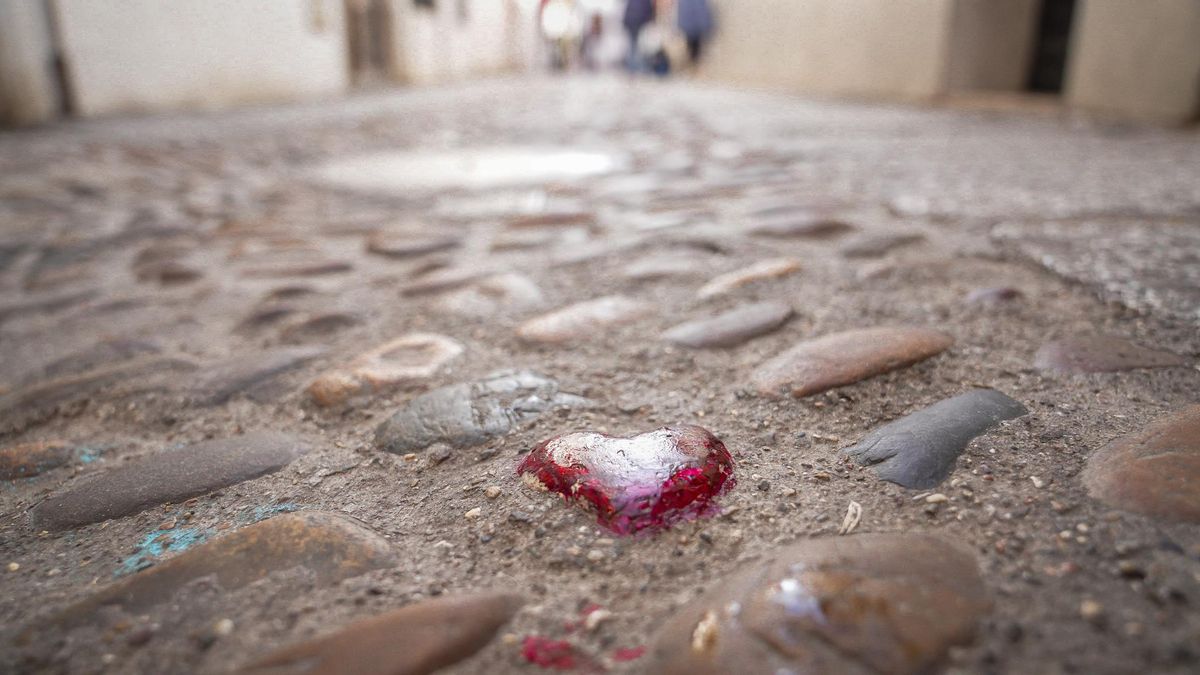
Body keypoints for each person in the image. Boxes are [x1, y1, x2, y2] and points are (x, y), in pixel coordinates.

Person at [677, 0, 714, 67]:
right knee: (692, 45)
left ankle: (693, 64)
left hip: (694, 27)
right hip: (692, 27)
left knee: (694, 46)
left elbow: (702, 12)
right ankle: (692, 64)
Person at [622, 0, 655, 72]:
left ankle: (632, 67)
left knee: (632, 46)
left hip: (630, 23)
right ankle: (636, 67)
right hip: (638, 23)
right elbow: (648, 10)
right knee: (638, 47)